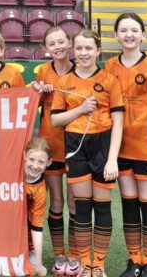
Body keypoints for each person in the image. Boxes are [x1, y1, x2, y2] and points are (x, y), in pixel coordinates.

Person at [50, 30, 124, 277]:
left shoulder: (110, 80)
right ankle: (83, 264)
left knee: (102, 208)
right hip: (75, 146)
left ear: (98, 50)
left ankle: (98, 264)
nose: (83, 53)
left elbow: (119, 121)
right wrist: (81, 109)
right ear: (73, 50)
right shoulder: (64, 82)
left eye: (88, 48)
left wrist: (112, 158)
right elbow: (56, 120)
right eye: (79, 48)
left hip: (103, 146)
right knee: (82, 208)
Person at [105, 14, 147, 277]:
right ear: (115, 36)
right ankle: (134, 261)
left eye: (134, 30)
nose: (129, 34)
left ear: (143, 35)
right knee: (129, 204)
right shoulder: (109, 66)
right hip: (119, 148)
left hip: (145, 147)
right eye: (123, 30)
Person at [31, 26, 78, 277]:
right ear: (46, 48)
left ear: (69, 43)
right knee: (56, 201)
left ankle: (75, 253)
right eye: (52, 43)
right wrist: (38, 91)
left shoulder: (79, 70)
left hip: (75, 145)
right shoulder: (43, 71)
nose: (58, 47)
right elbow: (35, 105)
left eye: (62, 42)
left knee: (74, 202)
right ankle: (60, 254)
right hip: (50, 145)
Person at [24, 137, 53, 277]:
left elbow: (37, 226)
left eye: (41, 162)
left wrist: (39, 264)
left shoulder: (40, 190)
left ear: (49, 163)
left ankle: (31, 251)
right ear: (24, 156)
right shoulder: (12, 172)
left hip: (23, 224)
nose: (35, 166)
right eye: (31, 159)